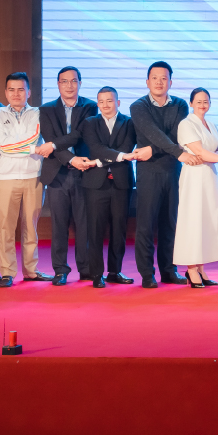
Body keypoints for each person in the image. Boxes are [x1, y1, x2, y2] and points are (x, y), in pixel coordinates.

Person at [130, 61, 189, 288]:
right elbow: (153, 133)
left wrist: (152, 150)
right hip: (148, 172)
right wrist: (166, 150)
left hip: (173, 170)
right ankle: (147, 274)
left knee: (170, 223)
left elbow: (175, 136)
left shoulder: (181, 105)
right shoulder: (138, 106)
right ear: (147, 81)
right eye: (154, 78)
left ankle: (169, 271)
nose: (159, 82)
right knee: (145, 225)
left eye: (164, 78)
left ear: (170, 82)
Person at [174, 87, 218, 287]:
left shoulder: (210, 124)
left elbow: (216, 149)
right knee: (193, 221)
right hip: (194, 176)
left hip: (209, 175)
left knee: (206, 220)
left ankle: (201, 268)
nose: (202, 105)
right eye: (199, 102)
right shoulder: (186, 124)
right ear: (191, 103)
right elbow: (200, 152)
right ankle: (191, 269)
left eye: (206, 102)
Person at [38, 66, 97, 286]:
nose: (69, 85)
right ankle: (60, 270)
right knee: (59, 224)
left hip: (85, 172)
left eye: (74, 81)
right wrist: (70, 159)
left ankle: (86, 269)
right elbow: (49, 138)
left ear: (80, 83)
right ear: (58, 84)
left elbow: (81, 134)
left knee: (84, 224)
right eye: (64, 81)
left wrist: (54, 145)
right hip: (57, 173)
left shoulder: (90, 106)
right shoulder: (46, 109)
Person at [0, 72, 48, 287]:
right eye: (11, 89)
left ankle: (31, 270)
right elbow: (1, 144)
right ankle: (7, 272)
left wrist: (11, 144)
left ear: (28, 92)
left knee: (31, 226)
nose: (16, 94)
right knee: (6, 227)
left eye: (21, 89)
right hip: (6, 178)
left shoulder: (38, 113)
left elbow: (32, 137)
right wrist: (32, 149)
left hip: (33, 177)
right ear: (5, 92)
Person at [80, 86, 140, 287]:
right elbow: (96, 148)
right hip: (95, 184)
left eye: (110, 100)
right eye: (101, 101)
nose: (105, 105)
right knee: (95, 229)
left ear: (118, 102)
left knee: (119, 229)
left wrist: (100, 161)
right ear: (97, 104)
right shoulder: (90, 123)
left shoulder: (129, 123)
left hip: (121, 183)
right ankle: (97, 274)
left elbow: (127, 147)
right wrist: (118, 157)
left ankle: (115, 271)